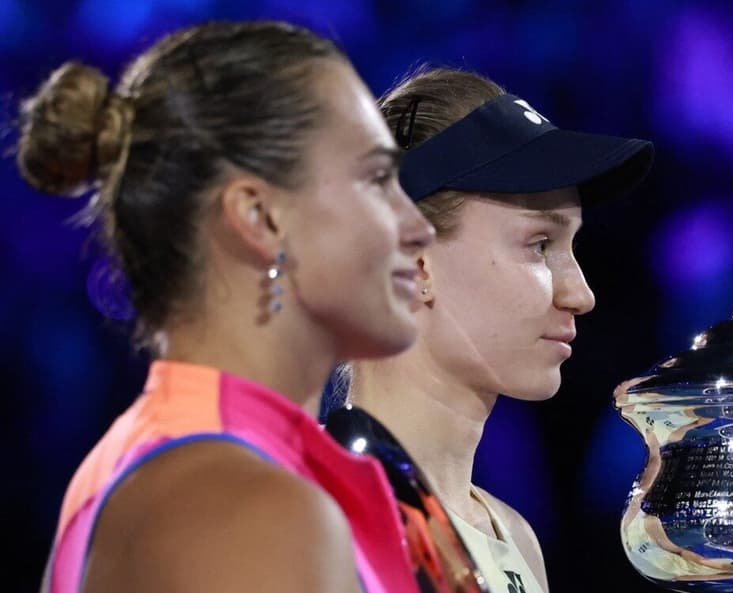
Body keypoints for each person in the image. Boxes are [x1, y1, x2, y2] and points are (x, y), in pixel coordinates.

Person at [18, 21, 435, 593]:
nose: (418, 227)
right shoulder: (239, 507)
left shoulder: (197, 471)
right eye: (378, 179)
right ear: (259, 218)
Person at [338, 66, 654, 593]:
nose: (580, 294)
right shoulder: (313, 512)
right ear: (414, 261)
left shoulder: (514, 538)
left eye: (571, 247)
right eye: (539, 245)